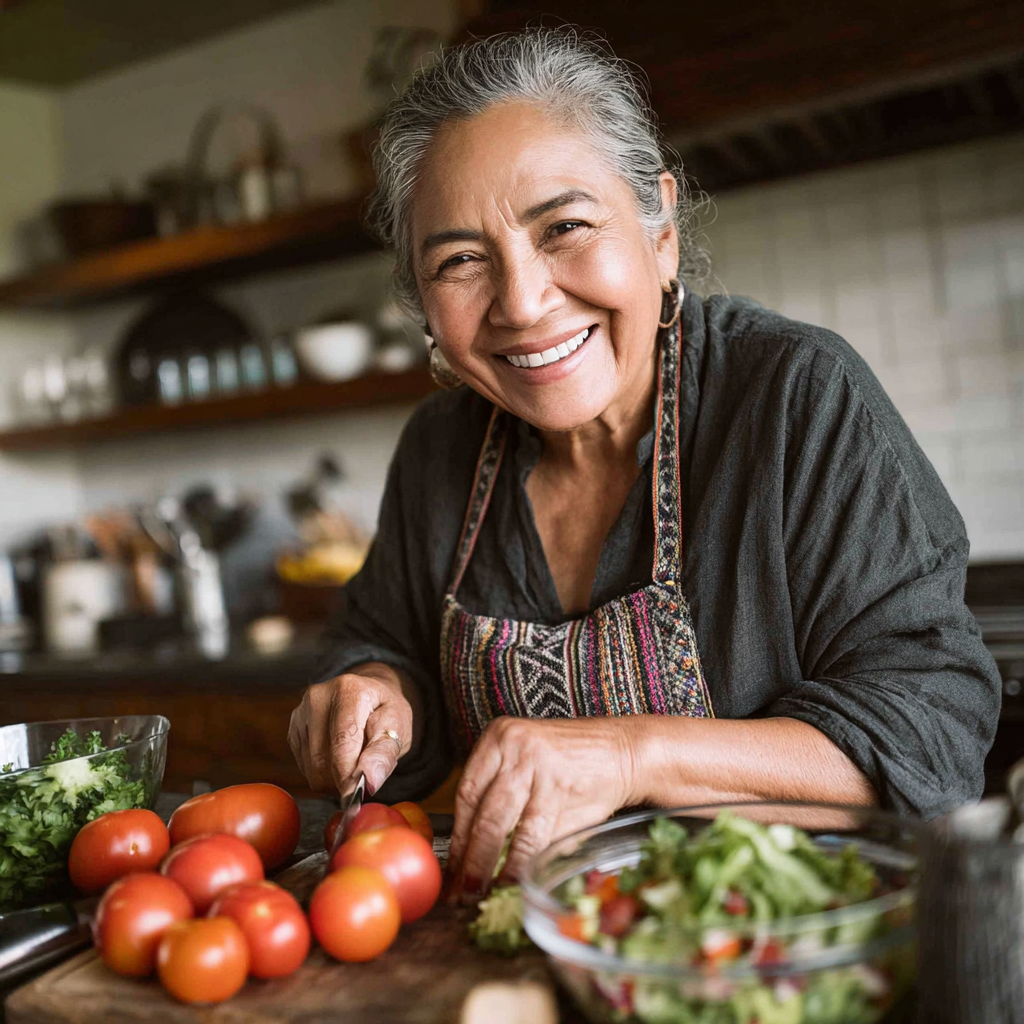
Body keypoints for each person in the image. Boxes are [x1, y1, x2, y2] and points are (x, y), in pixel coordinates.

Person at [288, 28, 1000, 896]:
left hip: (779, 955)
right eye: (462, 260)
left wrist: (631, 755)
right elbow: (385, 643)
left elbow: (933, 732)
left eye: (566, 227)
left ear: (659, 230)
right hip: (530, 947)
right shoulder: (439, 449)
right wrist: (372, 693)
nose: (522, 303)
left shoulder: (794, 395)